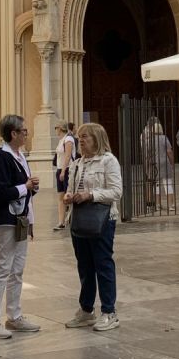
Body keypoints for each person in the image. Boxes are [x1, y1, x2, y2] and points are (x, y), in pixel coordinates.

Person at [0, 114, 41, 340]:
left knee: (17, 269)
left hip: (20, 219)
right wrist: (25, 186)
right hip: (5, 220)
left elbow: (24, 191)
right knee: (2, 269)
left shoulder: (20, 156)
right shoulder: (0, 157)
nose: (26, 134)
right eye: (23, 131)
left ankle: (14, 316)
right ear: (13, 134)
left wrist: (31, 219)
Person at [63, 122, 122, 332]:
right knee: (85, 266)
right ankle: (86, 310)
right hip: (79, 218)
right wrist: (69, 197)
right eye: (79, 137)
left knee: (103, 264)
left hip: (102, 219)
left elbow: (116, 191)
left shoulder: (108, 161)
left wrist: (91, 195)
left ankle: (109, 311)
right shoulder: (77, 163)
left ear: (96, 138)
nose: (81, 141)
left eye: (85, 137)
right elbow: (70, 189)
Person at [53, 120, 76, 232]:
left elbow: (67, 156)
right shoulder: (61, 140)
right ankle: (61, 222)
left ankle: (72, 219)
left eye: (56, 128)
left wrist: (62, 172)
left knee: (69, 195)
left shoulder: (69, 139)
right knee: (61, 197)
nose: (55, 130)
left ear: (60, 128)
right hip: (60, 170)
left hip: (67, 170)